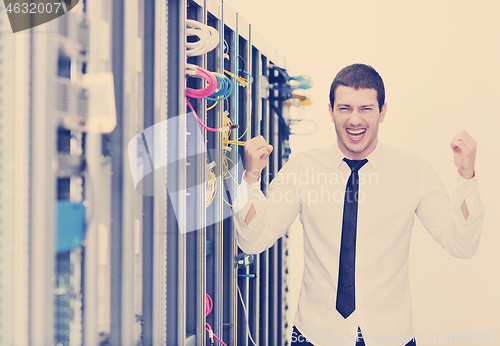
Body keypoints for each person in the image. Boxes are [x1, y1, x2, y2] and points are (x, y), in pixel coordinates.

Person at [232, 63, 485, 346]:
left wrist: (466, 178)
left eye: (366, 108)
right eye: (344, 108)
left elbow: (462, 245)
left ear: (382, 111)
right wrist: (251, 179)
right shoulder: (302, 169)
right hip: (316, 335)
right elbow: (252, 241)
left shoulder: (414, 173)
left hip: (391, 336)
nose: (355, 120)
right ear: (330, 111)